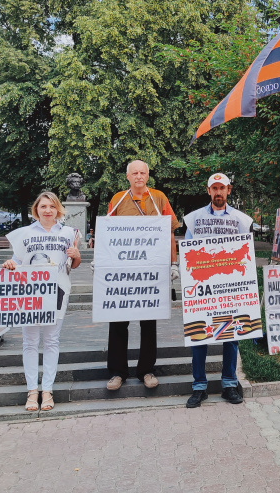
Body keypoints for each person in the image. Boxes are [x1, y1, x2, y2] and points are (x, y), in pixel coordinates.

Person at [2, 192, 81, 411]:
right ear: (36, 209)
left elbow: (74, 265)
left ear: (58, 210)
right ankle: (32, 391)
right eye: (43, 206)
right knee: (30, 342)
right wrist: (10, 263)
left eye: (52, 206)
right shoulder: (24, 233)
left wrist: (76, 255)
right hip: (30, 293)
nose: (47, 210)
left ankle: (47, 390)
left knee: (51, 341)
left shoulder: (69, 232)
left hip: (58, 291)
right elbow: (17, 261)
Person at [105, 160, 178, 392]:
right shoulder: (117, 200)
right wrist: (103, 262)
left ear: (148, 175)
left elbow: (169, 233)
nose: (139, 176)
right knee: (118, 320)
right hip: (123, 270)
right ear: (127, 176)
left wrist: (173, 263)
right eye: (134, 173)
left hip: (151, 270)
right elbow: (108, 233)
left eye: (142, 172)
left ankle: (147, 370)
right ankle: (117, 372)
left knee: (149, 320)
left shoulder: (159, 198)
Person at [183, 172, 253, 408]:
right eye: (214, 188)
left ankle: (229, 384)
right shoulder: (194, 219)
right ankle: (199, 387)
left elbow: (247, 254)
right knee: (199, 336)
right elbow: (188, 252)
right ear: (208, 191)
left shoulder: (241, 220)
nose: (218, 192)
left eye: (222, 188)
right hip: (202, 287)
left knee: (231, 336)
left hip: (230, 287)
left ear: (229, 190)